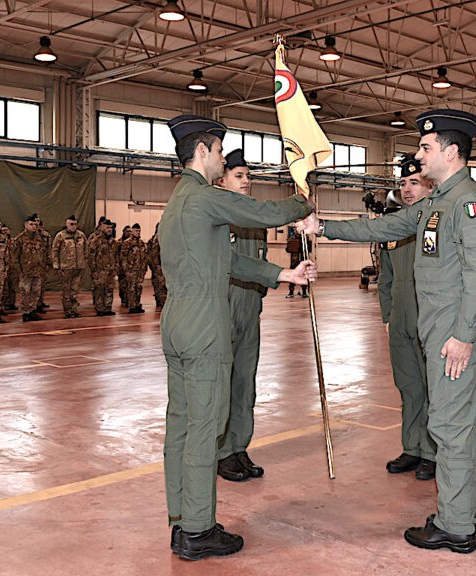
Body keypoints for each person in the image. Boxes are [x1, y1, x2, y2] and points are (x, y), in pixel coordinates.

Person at [298, 109, 476, 554]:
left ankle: (457, 526)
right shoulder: (437, 202)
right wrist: (323, 226)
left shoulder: (468, 204)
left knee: (449, 426)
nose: (419, 153)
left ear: (450, 151)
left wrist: (463, 336)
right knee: (452, 425)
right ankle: (461, 512)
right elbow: (385, 225)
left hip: (453, 335)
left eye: (426, 147)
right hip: (438, 330)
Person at [160, 114, 315, 561]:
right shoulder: (206, 196)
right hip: (206, 324)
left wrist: (282, 272)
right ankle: (198, 528)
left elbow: (226, 261)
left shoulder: (178, 202)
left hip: (176, 323)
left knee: (182, 426)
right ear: (203, 151)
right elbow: (263, 213)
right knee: (205, 428)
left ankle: (180, 520)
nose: (223, 159)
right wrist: (301, 199)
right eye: (220, 151)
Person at [378, 154, 437, 481]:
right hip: (399, 322)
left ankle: (431, 451)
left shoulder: (437, 224)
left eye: (414, 182)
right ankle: (412, 447)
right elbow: (385, 279)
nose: (407, 190)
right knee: (409, 387)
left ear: (430, 184)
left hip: (428, 321)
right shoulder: (396, 226)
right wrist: (388, 316)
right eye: (403, 184)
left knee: (431, 389)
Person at [214, 148, 268, 482]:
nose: (246, 181)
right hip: (223, 307)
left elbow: (259, 259)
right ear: (222, 180)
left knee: (245, 384)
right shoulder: (216, 213)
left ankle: (238, 446)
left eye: (248, 176)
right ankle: (220, 451)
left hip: (250, 308)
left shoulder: (254, 215)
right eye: (239, 176)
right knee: (221, 384)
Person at [52, 215, 87, 318]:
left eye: (75, 224)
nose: (73, 226)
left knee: (75, 290)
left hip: (79, 267)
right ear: (66, 224)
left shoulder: (81, 235)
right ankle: (68, 311)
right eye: (71, 224)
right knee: (66, 291)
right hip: (66, 268)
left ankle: (74, 310)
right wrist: (56, 266)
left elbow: (86, 249)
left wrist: (85, 261)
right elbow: (54, 251)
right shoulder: (61, 236)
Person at [15, 215, 47, 322]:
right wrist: (20, 270)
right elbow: (15, 256)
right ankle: (25, 312)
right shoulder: (20, 239)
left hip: (38, 270)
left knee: (36, 291)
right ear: (25, 225)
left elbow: (44, 253)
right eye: (31, 224)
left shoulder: (40, 238)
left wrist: (44, 266)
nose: (34, 227)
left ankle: (33, 310)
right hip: (25, 271)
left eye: (35, 224)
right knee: (25, 292)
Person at [88, 218, 117, 316]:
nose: (110, 229)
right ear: (102, 227)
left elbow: (116, 256)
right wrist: (94, 270)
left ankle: (108, 308)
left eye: (111, 228)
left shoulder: (113, 242)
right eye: (107, 227)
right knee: (99, 290)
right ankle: (100, 309)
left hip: (110, 270)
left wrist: (115, 268)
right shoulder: (96, 241)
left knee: (109, 290)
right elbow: (90, 256)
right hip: (99, 271)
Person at [120, 223, 148, 313]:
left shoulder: (141, 243)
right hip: (131, 270)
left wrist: (144, 268)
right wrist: (126, 270)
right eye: (136, 231)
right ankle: (132, 306)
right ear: (132, 231)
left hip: (140, 270)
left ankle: (137, 304)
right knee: (131, 288)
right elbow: (123, 257)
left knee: (139, 288)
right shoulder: (127, 243)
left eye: (139, 231)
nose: (138, 232)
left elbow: (145, 256)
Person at [286, 227, 311, 298]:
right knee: (292, 276)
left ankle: (304, 292)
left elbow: (309, 249)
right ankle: (291, 292)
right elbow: (288, 249)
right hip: (294, 261)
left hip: (302, 260)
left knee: (304, 276)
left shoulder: (305, 239)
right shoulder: (292, 239)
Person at [0, 224, 20, 314]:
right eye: (3, 230)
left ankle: (11, 303)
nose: (5, 232)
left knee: (12, 286)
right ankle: (4, 304)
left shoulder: (14, 241)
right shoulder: (0, 242)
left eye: (6, 230)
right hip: (3, 267)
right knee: (3, 287)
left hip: (13, 267)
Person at [147, 224, 167, 309]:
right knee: (161, 285)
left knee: (159, 285)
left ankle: (160, 301)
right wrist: (157, 265)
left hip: (159, 266)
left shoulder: (156, 238)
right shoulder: (157, 238)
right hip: (159, 266)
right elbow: (154, 254)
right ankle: (162, 302)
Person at [117, 225, 132, 307]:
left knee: (130, 285)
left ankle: (129, 300)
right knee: (123, 285)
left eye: (130, 231)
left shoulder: (132, 242)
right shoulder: (119, 243)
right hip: (121, 268)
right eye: (127, 231)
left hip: (130, 268)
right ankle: (123, 299)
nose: (129, 233)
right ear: (123, 232)